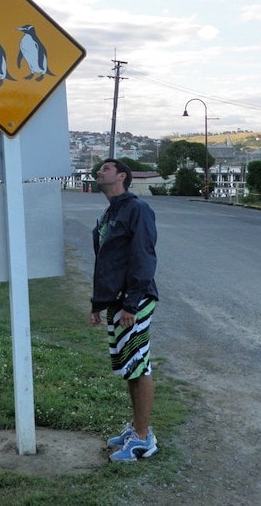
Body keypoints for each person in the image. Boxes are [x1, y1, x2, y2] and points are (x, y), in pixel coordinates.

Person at [89, 158, 159, 463]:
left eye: (106, 168)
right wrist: (98, 304)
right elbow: (106, 263)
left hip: (135, 301)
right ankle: (138, 429)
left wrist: (131, 302)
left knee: (140, 365)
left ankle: (143, 440)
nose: (99, 172)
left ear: (121, 176)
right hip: (118, 301)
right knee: (130, 366)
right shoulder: (108, 214)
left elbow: (143, 256)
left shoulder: (137, 209)